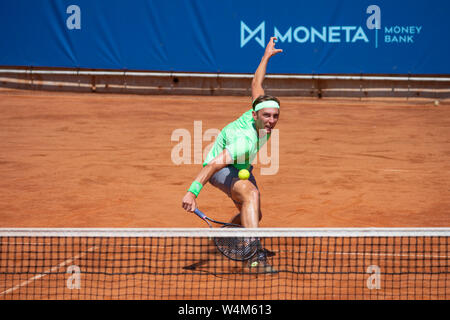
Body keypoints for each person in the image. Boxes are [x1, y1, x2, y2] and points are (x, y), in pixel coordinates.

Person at [181, 37, 282, 272]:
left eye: (275, 116)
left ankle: (227, 235)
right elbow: (214, 165)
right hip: (221, 169)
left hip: (239, 165)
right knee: (251, 195)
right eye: (267, 116)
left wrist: (266, 56)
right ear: (256, 116)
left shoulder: (259, 107)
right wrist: (192, 192)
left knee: (256, 212)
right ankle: (255, 257)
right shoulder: (244, 140)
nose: (271, 121)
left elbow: (256, 81)